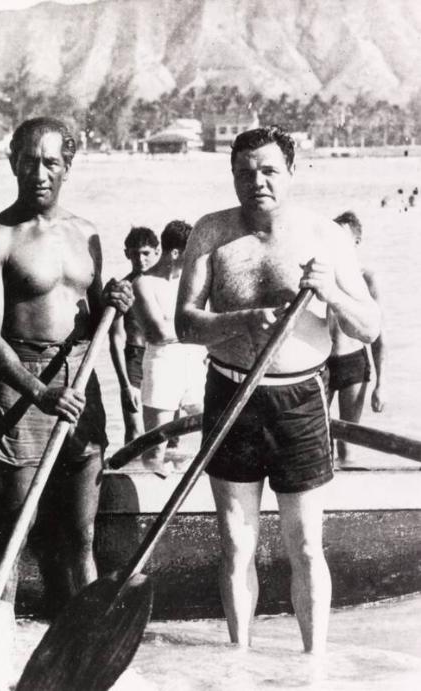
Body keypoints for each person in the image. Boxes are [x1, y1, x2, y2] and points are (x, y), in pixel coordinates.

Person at [175, 127, 380, 654]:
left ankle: (313, 667)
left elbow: (369, 327)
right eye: (245, 172)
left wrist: (330, 290)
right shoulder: (211, 232)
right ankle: (239, 663)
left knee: (307, 546)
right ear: (233, 176)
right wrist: (242, 321)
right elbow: (185, 324)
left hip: (300, 401)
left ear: (291, 172)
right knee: (236, 544)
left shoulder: (326, 237)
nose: (257, 181)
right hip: (231, 394)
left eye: (268, 170)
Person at [0, 117, 133, 608]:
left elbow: (98, 314)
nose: (40, 172)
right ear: (12, 162)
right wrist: (40, 392)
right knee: (14, 536)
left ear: (68, 167)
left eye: (52, 162)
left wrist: (117, 301)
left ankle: (84, 649)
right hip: (23, 392)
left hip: (81, 382)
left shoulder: (87, 234)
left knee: (81, 535)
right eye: (30, 161)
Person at [133, 220, 206, 478]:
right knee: (156, 445)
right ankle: (152, 493)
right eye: (191, 254)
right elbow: (158, 333)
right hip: (162, 365)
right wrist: (195, 329)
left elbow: (206, 323)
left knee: (213, 430)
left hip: (195, 362)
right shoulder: (143, 283)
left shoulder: (191, 283)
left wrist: (194, 329)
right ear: (175, 253)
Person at [327, 211, 387, 465]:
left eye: (342, 238)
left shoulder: (366, 278)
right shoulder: (322, 275)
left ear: (356, 242)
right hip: (320, 363)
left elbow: (378, 335)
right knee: (317, 439)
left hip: (353, 362)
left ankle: (346, 498)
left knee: (348, 442)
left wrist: (381, 384)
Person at [109, 226, 159, 444]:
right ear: (127, 253)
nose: (141, 259)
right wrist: (125, 385)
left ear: (157, 252)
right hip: (135, 359)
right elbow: (116, 339)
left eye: (146, 253)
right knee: (135, 430)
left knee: (165, 430)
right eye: (135, 253)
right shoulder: (123, 289)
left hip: (162, 358)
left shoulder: (165, 285)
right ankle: (132, 474)